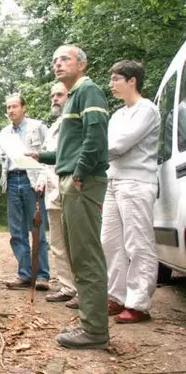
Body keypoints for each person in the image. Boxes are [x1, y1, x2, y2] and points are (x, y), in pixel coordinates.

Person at [30, 44, 110, 350]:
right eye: (54, 60)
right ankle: (91, 323)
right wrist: (43, 155)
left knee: (86, 256)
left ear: (82, 64)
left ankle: (94, 330)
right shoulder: (74, 96)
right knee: (79, 255)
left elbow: (96, 137)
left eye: (65, 59)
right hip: (71, 180)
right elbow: (70, 148)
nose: (57, 64)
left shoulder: (88, 91)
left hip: (81, 183)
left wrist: (78, 174)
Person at [102, 60, 160, 323]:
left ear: (132, 80)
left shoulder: (147, 110)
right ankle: (116, 295)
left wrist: (90, 149)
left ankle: (138, 303)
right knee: (110, 242)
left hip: (137, 182)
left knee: (138, 243)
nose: (111, 84)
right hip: (113, 181)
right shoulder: (117, 115)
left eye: (116, 79)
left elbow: (118, 145)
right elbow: (108, 146)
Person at [0, 94, 50, 291]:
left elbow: (48, 155)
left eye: (14, 106)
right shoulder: (4, 132)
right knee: (16, 231)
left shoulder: (37, 127)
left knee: (37, 228)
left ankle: (43, 275)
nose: (11, 110)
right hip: (12, 180)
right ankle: (25, 274)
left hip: (33, 181)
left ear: (24, 108)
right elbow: (3, 162)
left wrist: (44, 180)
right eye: (8, 107)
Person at [37, 82, 78, 305]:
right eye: (53, 95)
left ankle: (83, 290)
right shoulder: (53, 127)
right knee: (58, 243)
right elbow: (46, 162)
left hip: (71, 189)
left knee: (76, 243)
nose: (54, 99)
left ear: (70, 97)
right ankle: (67, 286)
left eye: (59, 95)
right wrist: (41, 181)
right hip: (52, 192)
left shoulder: (75, 122)